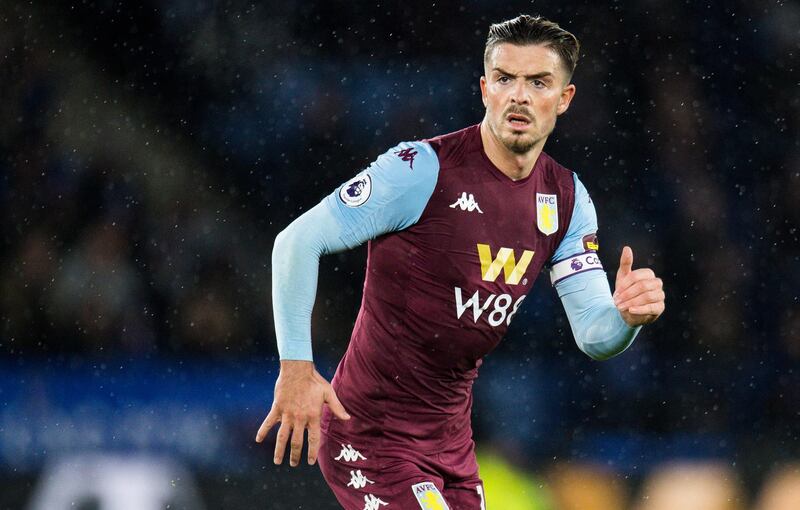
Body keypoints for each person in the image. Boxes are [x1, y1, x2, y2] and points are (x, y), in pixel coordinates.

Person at [256, 14, 665, 509]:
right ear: (485, 89)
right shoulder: (420, 170)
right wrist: (296, 367)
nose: (519, 95)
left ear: (564, 98)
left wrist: (626, 318)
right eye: (505, 79)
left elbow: (594, 335)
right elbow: (296, 242)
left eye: (538, 82)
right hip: (370, 435)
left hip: (452, 449)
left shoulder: (567, 200)